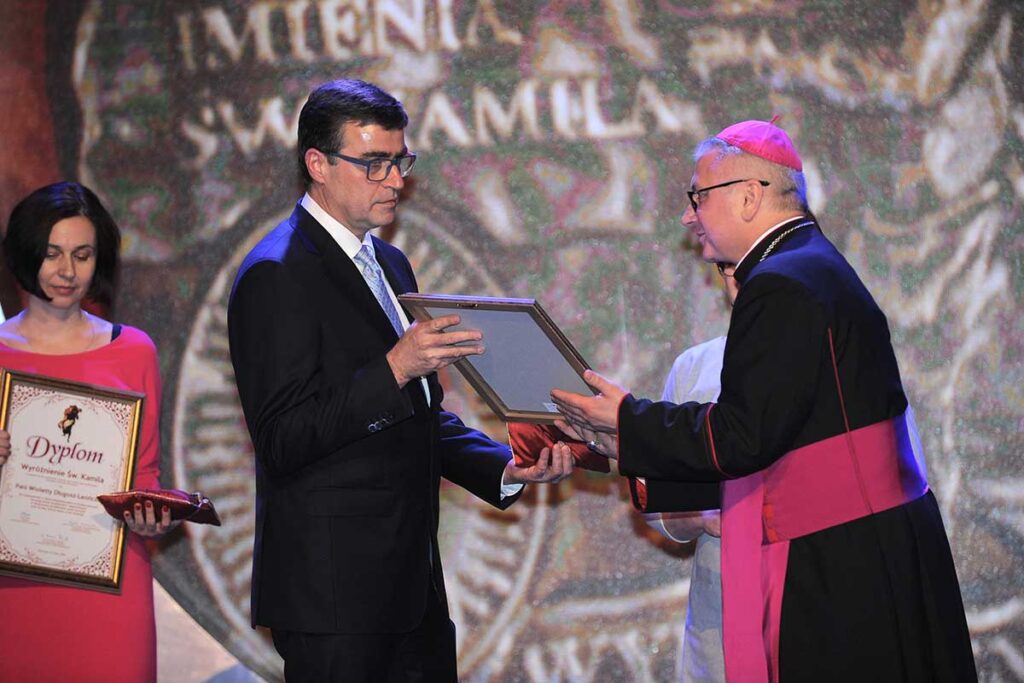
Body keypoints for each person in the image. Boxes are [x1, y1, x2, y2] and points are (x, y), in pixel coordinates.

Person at [552, 120, 976, 681]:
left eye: (698, 197)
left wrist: (628, 419)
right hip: (863, 546)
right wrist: (618, 439)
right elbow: (780, 437)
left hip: (840, 562)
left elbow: (742, 438)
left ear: (749, 196)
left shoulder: (780, 282)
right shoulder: (811, 264)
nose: (688, 217)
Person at [227, 79, 572, 682]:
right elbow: (282, 438)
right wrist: (394, 367)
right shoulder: (276, 273)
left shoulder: (389, 262)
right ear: (318, 165)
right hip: (334, 600)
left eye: (400, 161)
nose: (394, 180)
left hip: (413, 589)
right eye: (374, 164)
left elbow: (418, 413)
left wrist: (504, 467)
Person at [0, 181, 177, 682]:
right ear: (25, 253)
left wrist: (150, 516)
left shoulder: (134, 351)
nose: (67, 271)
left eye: (82, 255)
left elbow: (144, 476)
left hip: (110, 588)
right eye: (52, 253)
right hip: (13, 591)